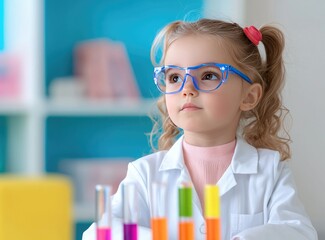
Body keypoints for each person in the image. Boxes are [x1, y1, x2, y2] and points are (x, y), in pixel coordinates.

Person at [82, 18, 318, 240]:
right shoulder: (145, 174)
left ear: (249, 96)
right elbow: (99, 233)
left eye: (208, 75)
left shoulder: (270, 171)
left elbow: (299, 232)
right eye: (174, 77)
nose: (187, 88)